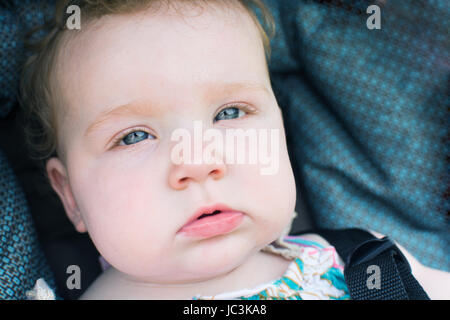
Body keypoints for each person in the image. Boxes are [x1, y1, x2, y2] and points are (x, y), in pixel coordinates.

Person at [19, 0, 449, 300]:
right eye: (134, 136)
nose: (200, 162)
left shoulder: (364, 260)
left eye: (229, 113)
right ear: (70, 195)